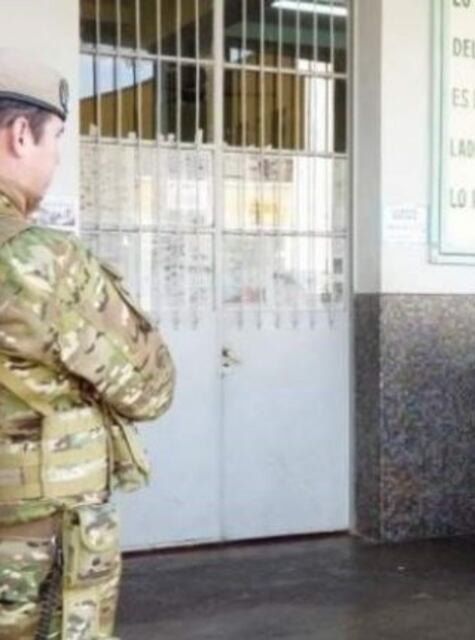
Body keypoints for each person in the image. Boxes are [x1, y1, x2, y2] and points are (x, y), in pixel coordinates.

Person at [0, 50, 175, 639]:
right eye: (56, 141)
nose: (54, 160)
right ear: (20, 135)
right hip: (29, 549)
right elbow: (151, 388)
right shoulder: (36, 261)